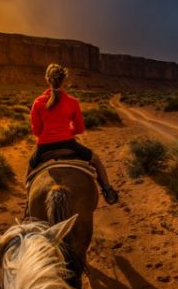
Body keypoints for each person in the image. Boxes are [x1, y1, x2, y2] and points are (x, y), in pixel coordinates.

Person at [27, 63, 119, 204]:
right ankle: (108, 191)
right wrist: (66, 132)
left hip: (44, 147)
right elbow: (80, 128)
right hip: (68, 143)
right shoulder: (72, 102)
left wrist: (49, 134)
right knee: (96, 161)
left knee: (29, 171)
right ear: (64, 80)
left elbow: (37, 131)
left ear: (47, 79)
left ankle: (28, 204)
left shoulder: (38, 102)